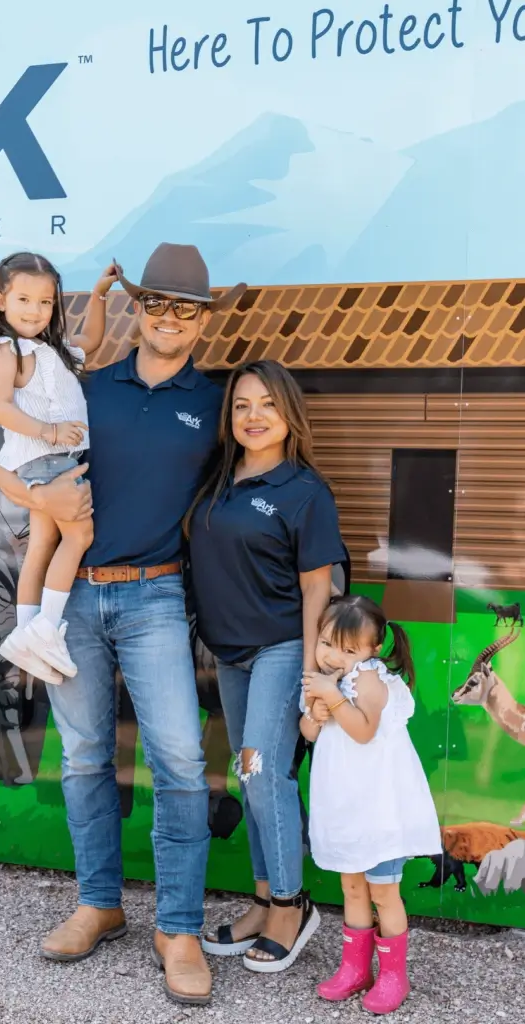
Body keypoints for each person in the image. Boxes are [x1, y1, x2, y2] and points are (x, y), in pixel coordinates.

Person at [0, 243, 246, 1006]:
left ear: (202, 321)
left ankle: (177, 928)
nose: (170, 319)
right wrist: (42, 503)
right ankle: (99, 904)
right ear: (138, 309)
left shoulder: (217, 402)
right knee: (83, 756)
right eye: (158, 304)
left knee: (174, 759)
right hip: (72, 603)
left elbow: (258, 474)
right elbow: (5, 463)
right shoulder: (85, 387)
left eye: (186, 309)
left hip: (154, 598)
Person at [186, 361, 346, 973]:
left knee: (262, 775)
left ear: (289, 416)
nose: (254, 417)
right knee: (249, 772)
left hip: (282, 647)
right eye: (242, 406)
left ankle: (291, 904)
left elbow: (316, 591)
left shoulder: (305, 491)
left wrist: (313, 677)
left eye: (267, 406)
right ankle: (261, 899)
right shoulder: (219, 482)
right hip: (232, 652)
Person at [300, 594, 441, 1014]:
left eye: (347, 649)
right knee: (352, 886)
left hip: (379, 808)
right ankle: (354, 968)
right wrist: (317, 710)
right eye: (326, 643)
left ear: (372, 649)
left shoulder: (371, 680)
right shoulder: (323, 677)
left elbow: (363, 731)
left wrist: (334, 697)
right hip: (346, 805)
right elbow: (308, 732)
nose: (332, 655)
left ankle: (394, 975)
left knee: (384, 891)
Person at [0, 252, 116, 684]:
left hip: (47, 458)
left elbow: (92, 341)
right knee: (80, 534)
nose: (35, 311)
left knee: (41, 542)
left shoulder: (50, 350)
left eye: (45, 303)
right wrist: (51, 431)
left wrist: (98, 294)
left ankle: (26, 633)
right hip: (46, 457)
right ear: (1, 301)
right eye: (23, 300)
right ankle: (46, 628)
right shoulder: (7, 349)